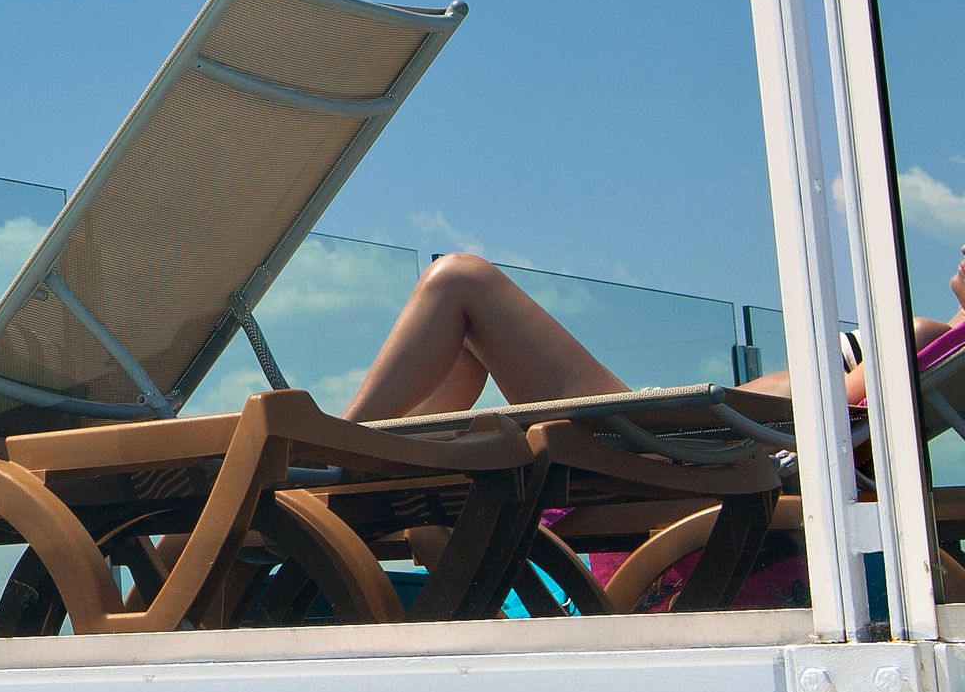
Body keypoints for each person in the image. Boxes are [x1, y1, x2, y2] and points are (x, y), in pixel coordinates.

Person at [346, 244, 965, 422]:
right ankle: (374, 461)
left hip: (677, 439)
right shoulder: (939, 350)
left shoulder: (923, 334)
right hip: (688, 431)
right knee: (466, 341)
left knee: (461, 280)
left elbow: (816, 421)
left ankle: (332, 446)